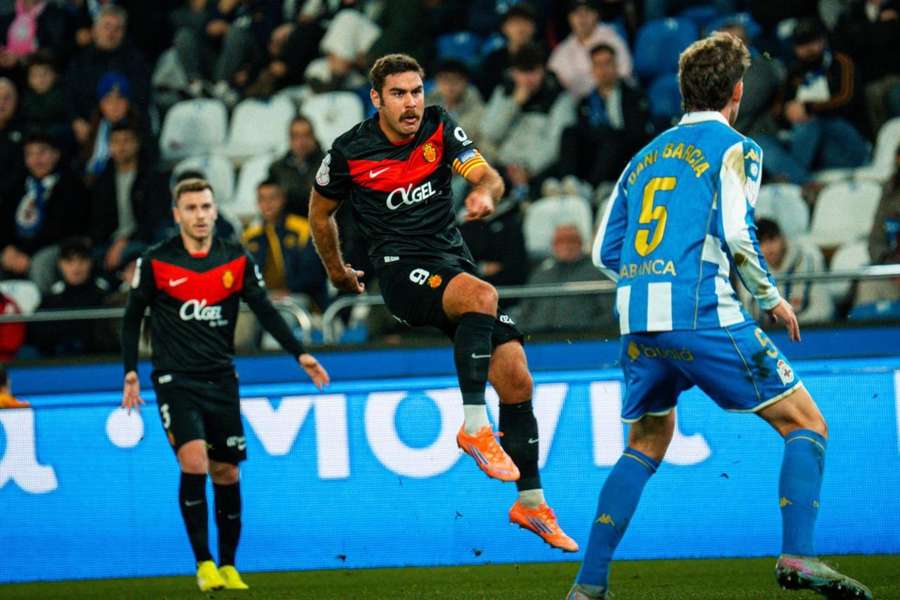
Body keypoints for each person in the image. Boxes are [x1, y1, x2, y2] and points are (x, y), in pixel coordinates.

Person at [568, 33, 871, 599]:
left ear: (682, 92)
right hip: (701, 313)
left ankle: (588, 587)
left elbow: (602, 252)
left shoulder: (643, 156)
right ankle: (799, 557)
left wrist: (648, 279)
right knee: (806, 423)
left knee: (647, 441)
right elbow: (737, 232)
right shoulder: (736, 147)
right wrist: (773, 297)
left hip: (637, 319)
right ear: (737, 92)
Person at [309, 53, 577, 552]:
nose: (411, 103)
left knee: (517, 374)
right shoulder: (349, 152)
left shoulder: (439, 128)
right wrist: (336, 271)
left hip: (450, 263)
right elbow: (319, 213)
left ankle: (532, 504)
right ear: (376, 99)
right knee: (481, 294)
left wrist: (485, 193)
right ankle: (475, 427)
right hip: (400, 273)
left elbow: (488, 175)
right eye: (398, 94)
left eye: (416, 91)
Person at [120, 178, 330, 592]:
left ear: (216, 211)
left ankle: (230, 566)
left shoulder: (235, 259)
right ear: (177, 214)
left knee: (227, 472)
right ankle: (203, 563)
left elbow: (266, 310)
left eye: (205, 207)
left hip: (221, 379)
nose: (200, 215)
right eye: (191, 208)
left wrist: (299, 353)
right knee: (194, 461)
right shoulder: (156, 261)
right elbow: (132, 318)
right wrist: (130, 371)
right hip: (174, 379)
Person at [559, 43, 653, 186]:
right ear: (592, 70)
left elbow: (637, 133)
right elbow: (584, 133)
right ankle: (568, 182)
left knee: (612, 139)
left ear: (616, 66)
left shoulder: (635, 96)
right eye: (598, 65)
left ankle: (593, 187)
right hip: (595, 151)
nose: (603, 70)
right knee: (569, 132)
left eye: (607, 63)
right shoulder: (585, 102)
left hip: (624, 152)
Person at [241, 179, 328, 309]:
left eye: (272, 198)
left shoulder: (303, 229)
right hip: (264, 297)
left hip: (301, 297)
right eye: (262, 199)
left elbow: (314, 273)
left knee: (283, 312)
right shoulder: (250, 236)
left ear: (282, 199)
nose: (267, 204)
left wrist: (289, 290)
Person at [514, 224, 614, 333]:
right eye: (560, 241)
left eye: (572, 240)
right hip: (538, 340)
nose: (566, 246)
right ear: (553, 245)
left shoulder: (597, 273)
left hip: (582, 340)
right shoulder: (541, 274)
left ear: (581, 243)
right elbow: (525, 313)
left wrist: (589, 333)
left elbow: (608, 314)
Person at [28, 236, 111, 356]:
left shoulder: (105, 297)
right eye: (69, 261)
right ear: (60, 264)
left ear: (90, 263)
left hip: (98, 362)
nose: (76, 267)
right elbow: (36, 335)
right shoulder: (51, 300)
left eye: (82, 260)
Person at [740, 218, 833, 324]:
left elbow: (824, 310)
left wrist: (791, 326)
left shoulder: (809, 263)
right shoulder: (749, 271)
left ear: (783, 238)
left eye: (772, 239)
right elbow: (747, 316)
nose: (768, 248)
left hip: (804, 333)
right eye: (761, 242)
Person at [548, 0, 632, 101]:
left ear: (596, 15)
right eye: (576, 13)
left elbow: (625, 73)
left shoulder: (612, 38)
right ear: (569, 18)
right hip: (579, 107)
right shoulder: (562, 51)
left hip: (613, 98)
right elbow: (552, 79)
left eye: (587, 11)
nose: (582, 17)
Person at [267, 115, 325, 217]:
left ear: (314, 137)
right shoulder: (277, 169)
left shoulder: (329, 165)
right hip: (289, 229)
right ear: (290, 140)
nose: (302, 141)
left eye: (306, 135)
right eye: (296, 136)